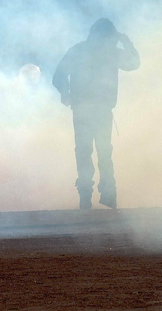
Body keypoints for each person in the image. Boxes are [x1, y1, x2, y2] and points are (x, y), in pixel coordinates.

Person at [52, 18, 140, 210]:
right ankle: (106, 195)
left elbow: (58, 75)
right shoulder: (110, 53)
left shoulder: (80, 50)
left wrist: (65, 92)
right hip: (97, 110)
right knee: (102, 152)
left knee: (86, 152)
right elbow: (134, 62)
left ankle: (89, 197)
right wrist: (125, 41)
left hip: (87, 110)